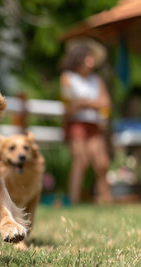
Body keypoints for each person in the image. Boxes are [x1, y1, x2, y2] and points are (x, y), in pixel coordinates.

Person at [60, 41, 113, 204]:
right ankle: (73, 201)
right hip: (76, 124)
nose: (91, 62)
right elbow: (70, 107)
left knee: (102, 163)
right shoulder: (68, 78)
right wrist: (94, 103)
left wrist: (83, 102)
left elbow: (106, 103)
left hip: (94, 125)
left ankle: (106, 200)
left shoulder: (97, 80)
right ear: (79, 59)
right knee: (80, 161)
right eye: (88, 58)